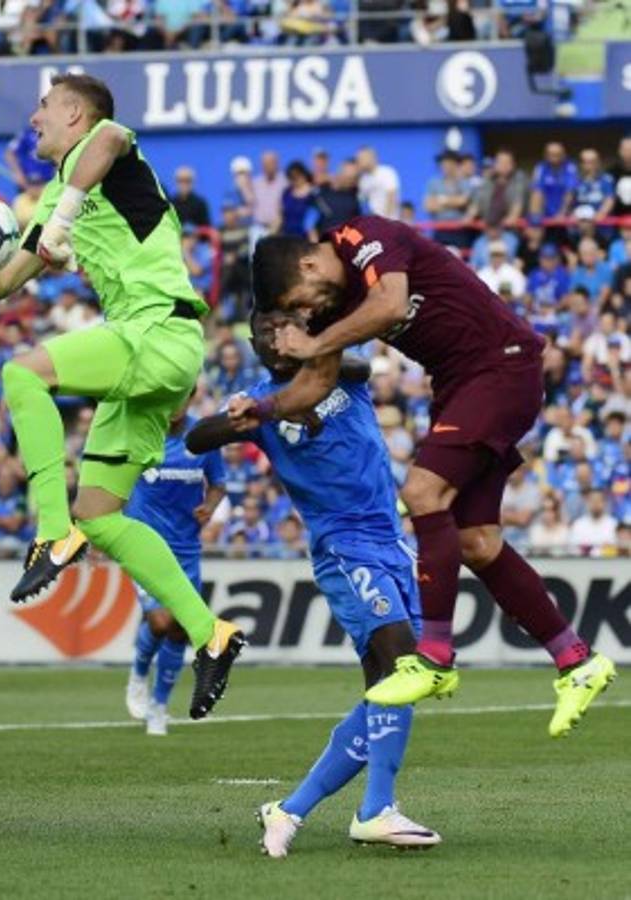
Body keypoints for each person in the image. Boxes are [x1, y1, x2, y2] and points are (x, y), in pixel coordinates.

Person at [0, 73, 243, 719]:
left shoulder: (104, 146)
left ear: (72, 112)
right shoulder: (49, 198)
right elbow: (5, 280)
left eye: (41, 107)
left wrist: (64, 215)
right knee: (102, 513)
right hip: (149, 344)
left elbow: (114, 136)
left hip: (157, 330)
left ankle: (49, 532)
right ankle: (212, 634)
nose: (33, 119)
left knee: (21, 373)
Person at [232, 216, 616, 737]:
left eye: (298, 300)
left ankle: (433, 657)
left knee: (421, 491)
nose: (306, 312)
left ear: (307, 263)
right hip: (459, 386)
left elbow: (390, 304)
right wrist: (267, 407)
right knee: (476, 542)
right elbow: (316, 385)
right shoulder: (329, 311)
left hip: (499, 367)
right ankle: (576, 660)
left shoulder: (360, 237)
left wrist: (312, 343)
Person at [187, 309, 440, 855]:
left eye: (282, 326)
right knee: (402, 667)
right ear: (253, 346)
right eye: (263, 334)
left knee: (393, 683)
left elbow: (362, 364)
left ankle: (290, 810)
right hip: (343, 546)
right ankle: (376, 810)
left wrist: (308, 356)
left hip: (391, 540)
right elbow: (194, 438)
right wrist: (239, 420)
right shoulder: (258, 401)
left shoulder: (336, 369)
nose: (274, 339)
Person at [124, 394, 226, 735]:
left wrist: (209, 506)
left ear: (191, 396)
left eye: (181, 397)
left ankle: (159, 705)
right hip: (145, 545)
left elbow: (219, 485)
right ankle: (139, 671)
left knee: (180, 628)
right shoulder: (141, 432)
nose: (174, 405)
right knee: (160, 620)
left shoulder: (202, 437)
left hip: (186, 548)